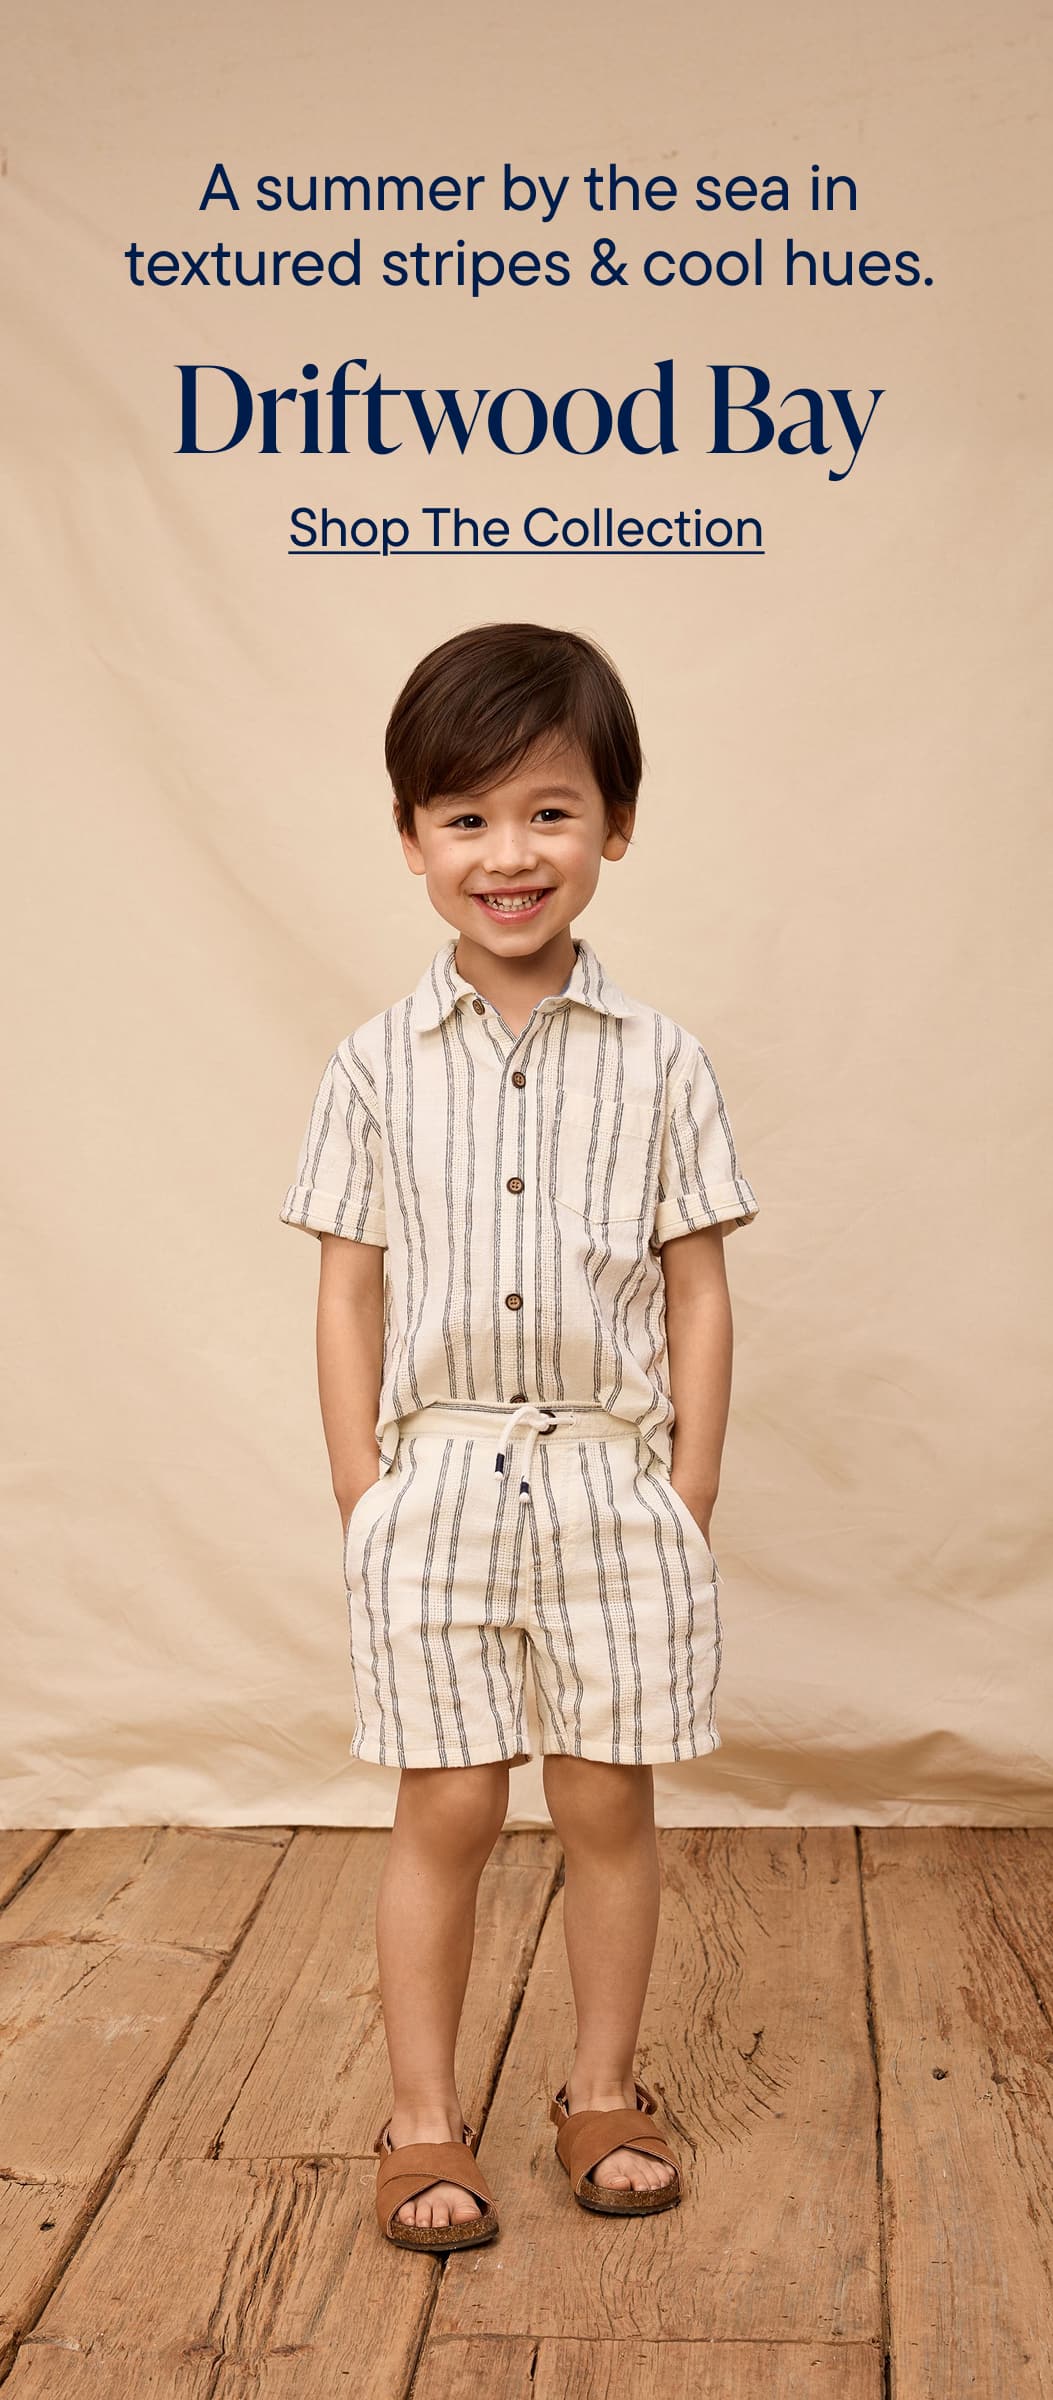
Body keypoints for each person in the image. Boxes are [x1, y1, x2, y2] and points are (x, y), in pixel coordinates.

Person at [279, 620, 759, 2253]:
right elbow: (349, 1292)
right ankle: (424, 2119)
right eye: (465, 817)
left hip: (610, 1481)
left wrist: (682, 1484)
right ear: (412, 839)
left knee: (606, 1795)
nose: (509, 853)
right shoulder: (370, 1064)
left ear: (613, 826)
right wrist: (364, 1488)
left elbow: (697, 1284)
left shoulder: (663, 1059)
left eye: (548, 812)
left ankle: (600, 2089)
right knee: (450, 1804)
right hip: (438, 1481)